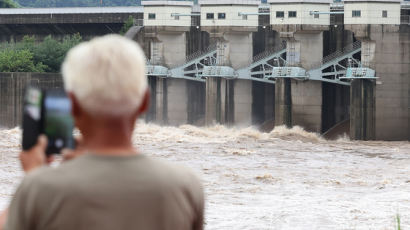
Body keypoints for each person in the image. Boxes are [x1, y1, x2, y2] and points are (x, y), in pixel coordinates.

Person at [0, 34, 204, 230]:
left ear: (73, 105)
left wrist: (33, 177)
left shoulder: (41, 189)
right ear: (144, 102)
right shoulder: (185, 186)